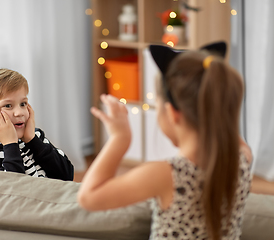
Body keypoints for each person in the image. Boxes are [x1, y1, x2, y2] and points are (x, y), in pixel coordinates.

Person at [78, 42, 252, 240]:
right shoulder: (242, 160)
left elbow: (88, 197)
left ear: (172, 113)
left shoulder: (167, 175)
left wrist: (119, 138)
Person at [0, 68, 74, 181]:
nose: (20, 112)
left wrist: (33, 140)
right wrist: (10, 144)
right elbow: (13, 192)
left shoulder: (35, 137)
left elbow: (67, 176)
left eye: (23, 103)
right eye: (8, 106)